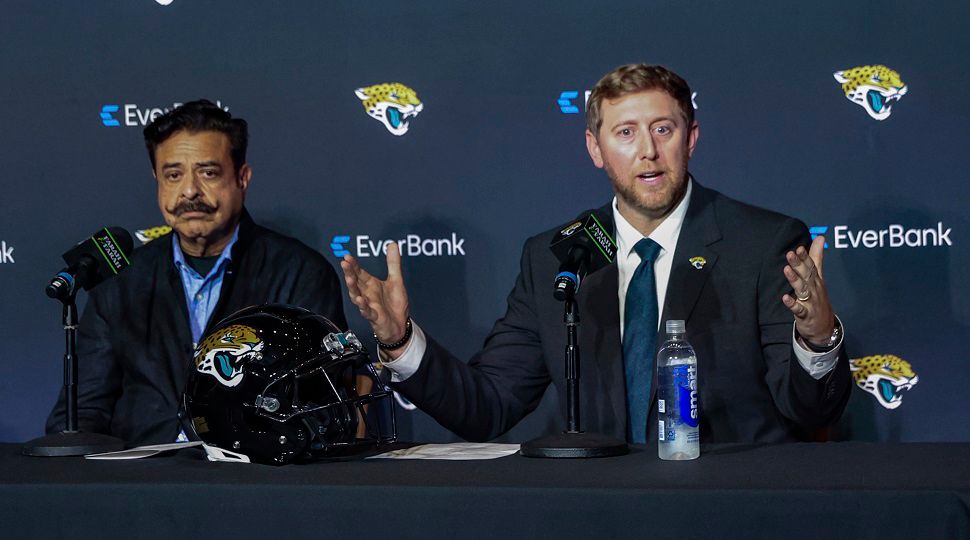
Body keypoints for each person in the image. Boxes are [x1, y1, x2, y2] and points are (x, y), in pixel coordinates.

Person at [341, 64, 851, 444]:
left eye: (663, 129)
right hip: (602, 509)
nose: (647, 150)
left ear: (691, 139)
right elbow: (489, 406)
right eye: (625, 133)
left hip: (728, 505)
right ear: (595, 148)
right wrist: (401, 341)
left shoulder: (762, 243)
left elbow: (809, 413)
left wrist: (818, 338)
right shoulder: (555, 256)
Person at [46, 100, 347, 446]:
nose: (189, 191)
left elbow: (321, 408)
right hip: (140, 484)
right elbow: (82, 411)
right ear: (157, 180)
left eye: (208, 173)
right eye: (173, 175)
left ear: (242, 178)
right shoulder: (121, 279)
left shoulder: (300, 274)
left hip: (253, 481)